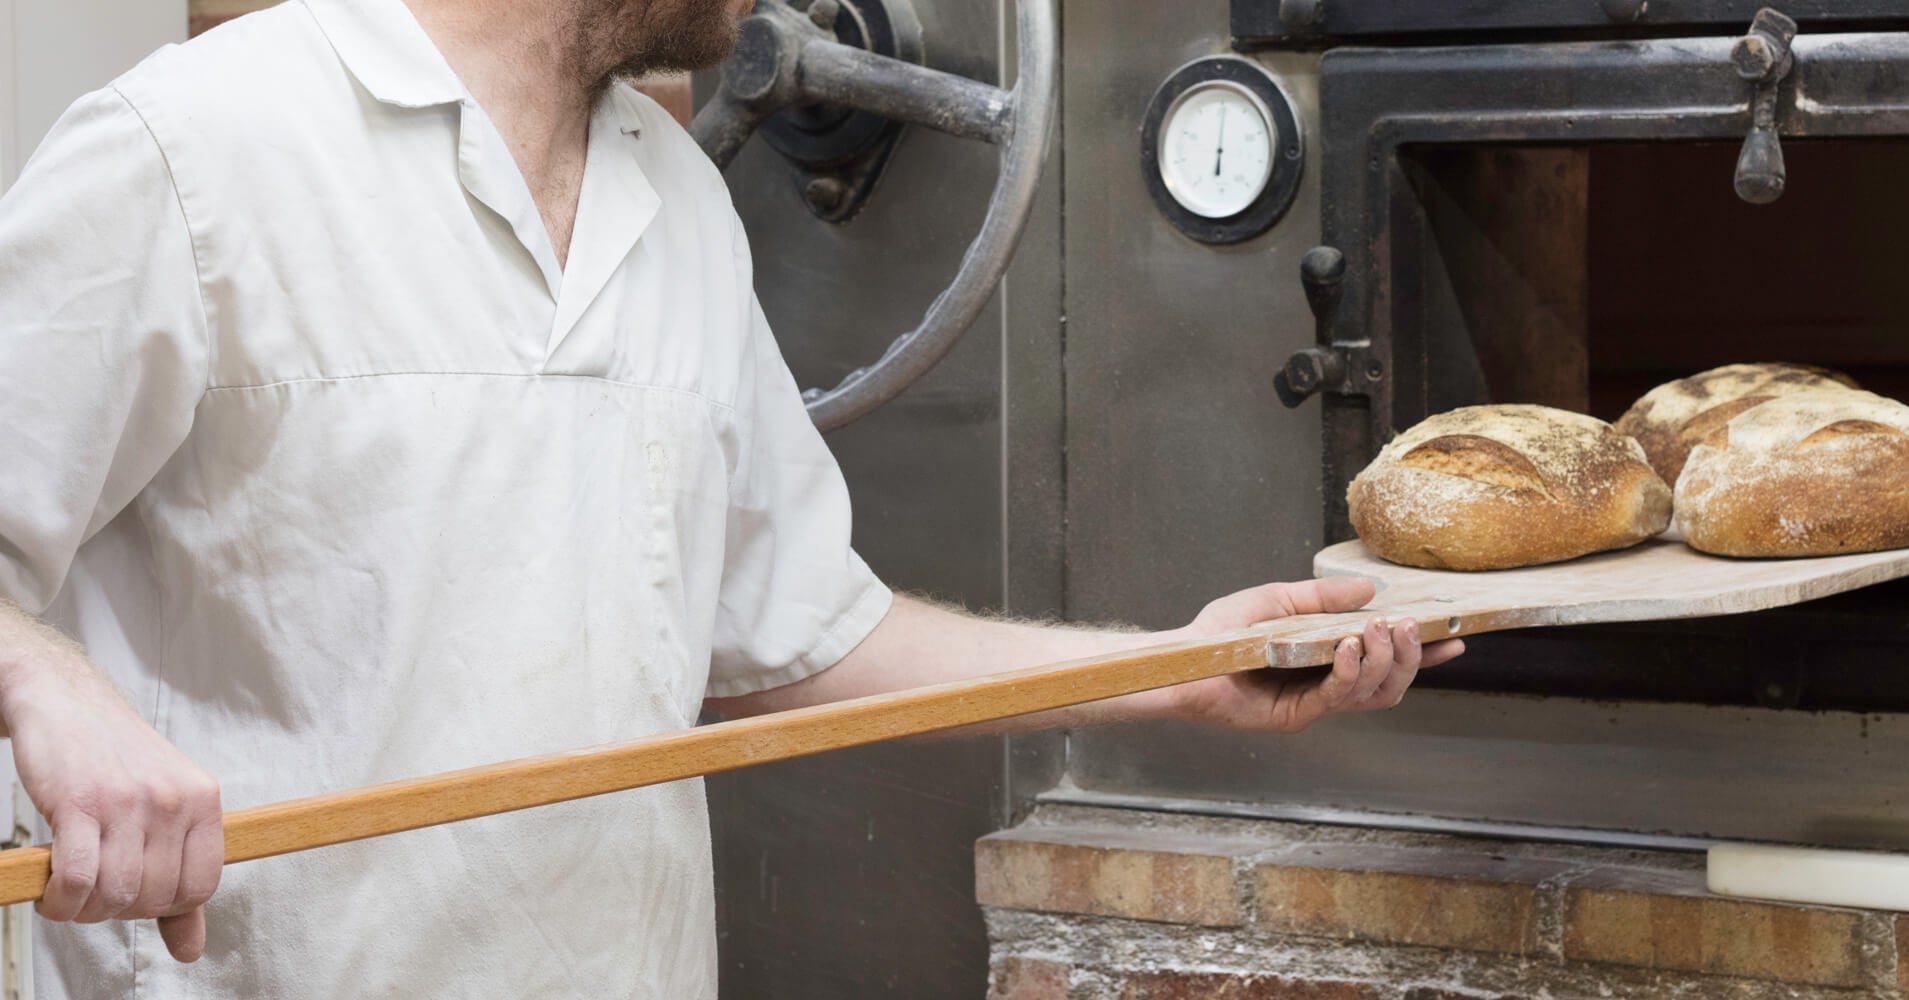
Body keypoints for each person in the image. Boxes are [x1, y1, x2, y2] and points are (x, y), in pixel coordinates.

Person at [0, 0, 1463, 994]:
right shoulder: (195, 152)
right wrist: (50, 689)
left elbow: (796, 647)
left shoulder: (678, 204)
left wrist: (1180, 671)